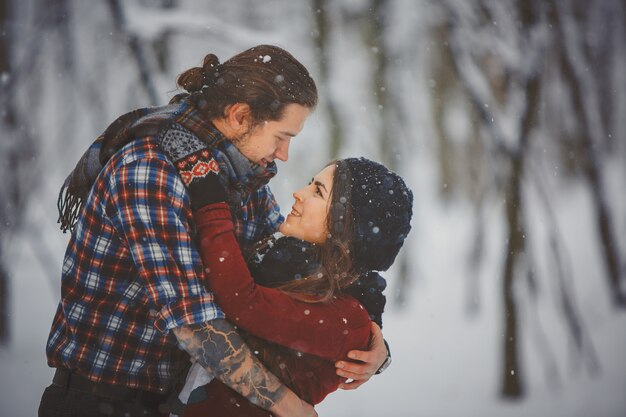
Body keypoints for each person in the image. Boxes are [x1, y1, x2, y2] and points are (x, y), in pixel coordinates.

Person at [38, 44, 384, 417]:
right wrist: (289, 406)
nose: (283, 154)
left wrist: (371, 340)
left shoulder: (237, 177)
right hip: (98, 402)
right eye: (282, 136)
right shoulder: (149, 171)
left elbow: (290, 271)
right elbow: (195, 324)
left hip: (168, 403)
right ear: (239, 116)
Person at [173, 156, 413, 416]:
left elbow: (242, 301)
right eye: (310, 184)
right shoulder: (292, 269)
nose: (299, 193)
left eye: (318, 191)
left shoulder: (346, 316)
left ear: (347, 226)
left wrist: (210, 201)